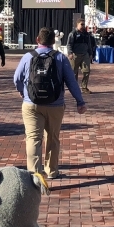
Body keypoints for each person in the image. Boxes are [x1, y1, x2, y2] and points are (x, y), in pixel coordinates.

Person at [13, 27, 86, 180]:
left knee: (33, 138)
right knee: (52, 138)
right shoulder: (60, 58)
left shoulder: (27, 56)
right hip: (55, 105)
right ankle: (52, 171)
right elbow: (71, 82)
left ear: (37, 40)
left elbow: (16, 79)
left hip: (31, 103)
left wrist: (22, 91)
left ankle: (34, 175)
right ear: (54, 42)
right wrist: (80, 101)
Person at [65, 21, 95, 94]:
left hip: (85, 55)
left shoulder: (86, 34)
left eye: (84, 24)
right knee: (74, 72)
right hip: (75, 55)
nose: (83, 26)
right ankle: (74, 88)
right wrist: (70, 53)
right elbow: (69, 44)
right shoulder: (73, 34)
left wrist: (91, 54)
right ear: (77, 24)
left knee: (86, 71)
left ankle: (84, 87)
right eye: (81, 24)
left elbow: (89, 45)